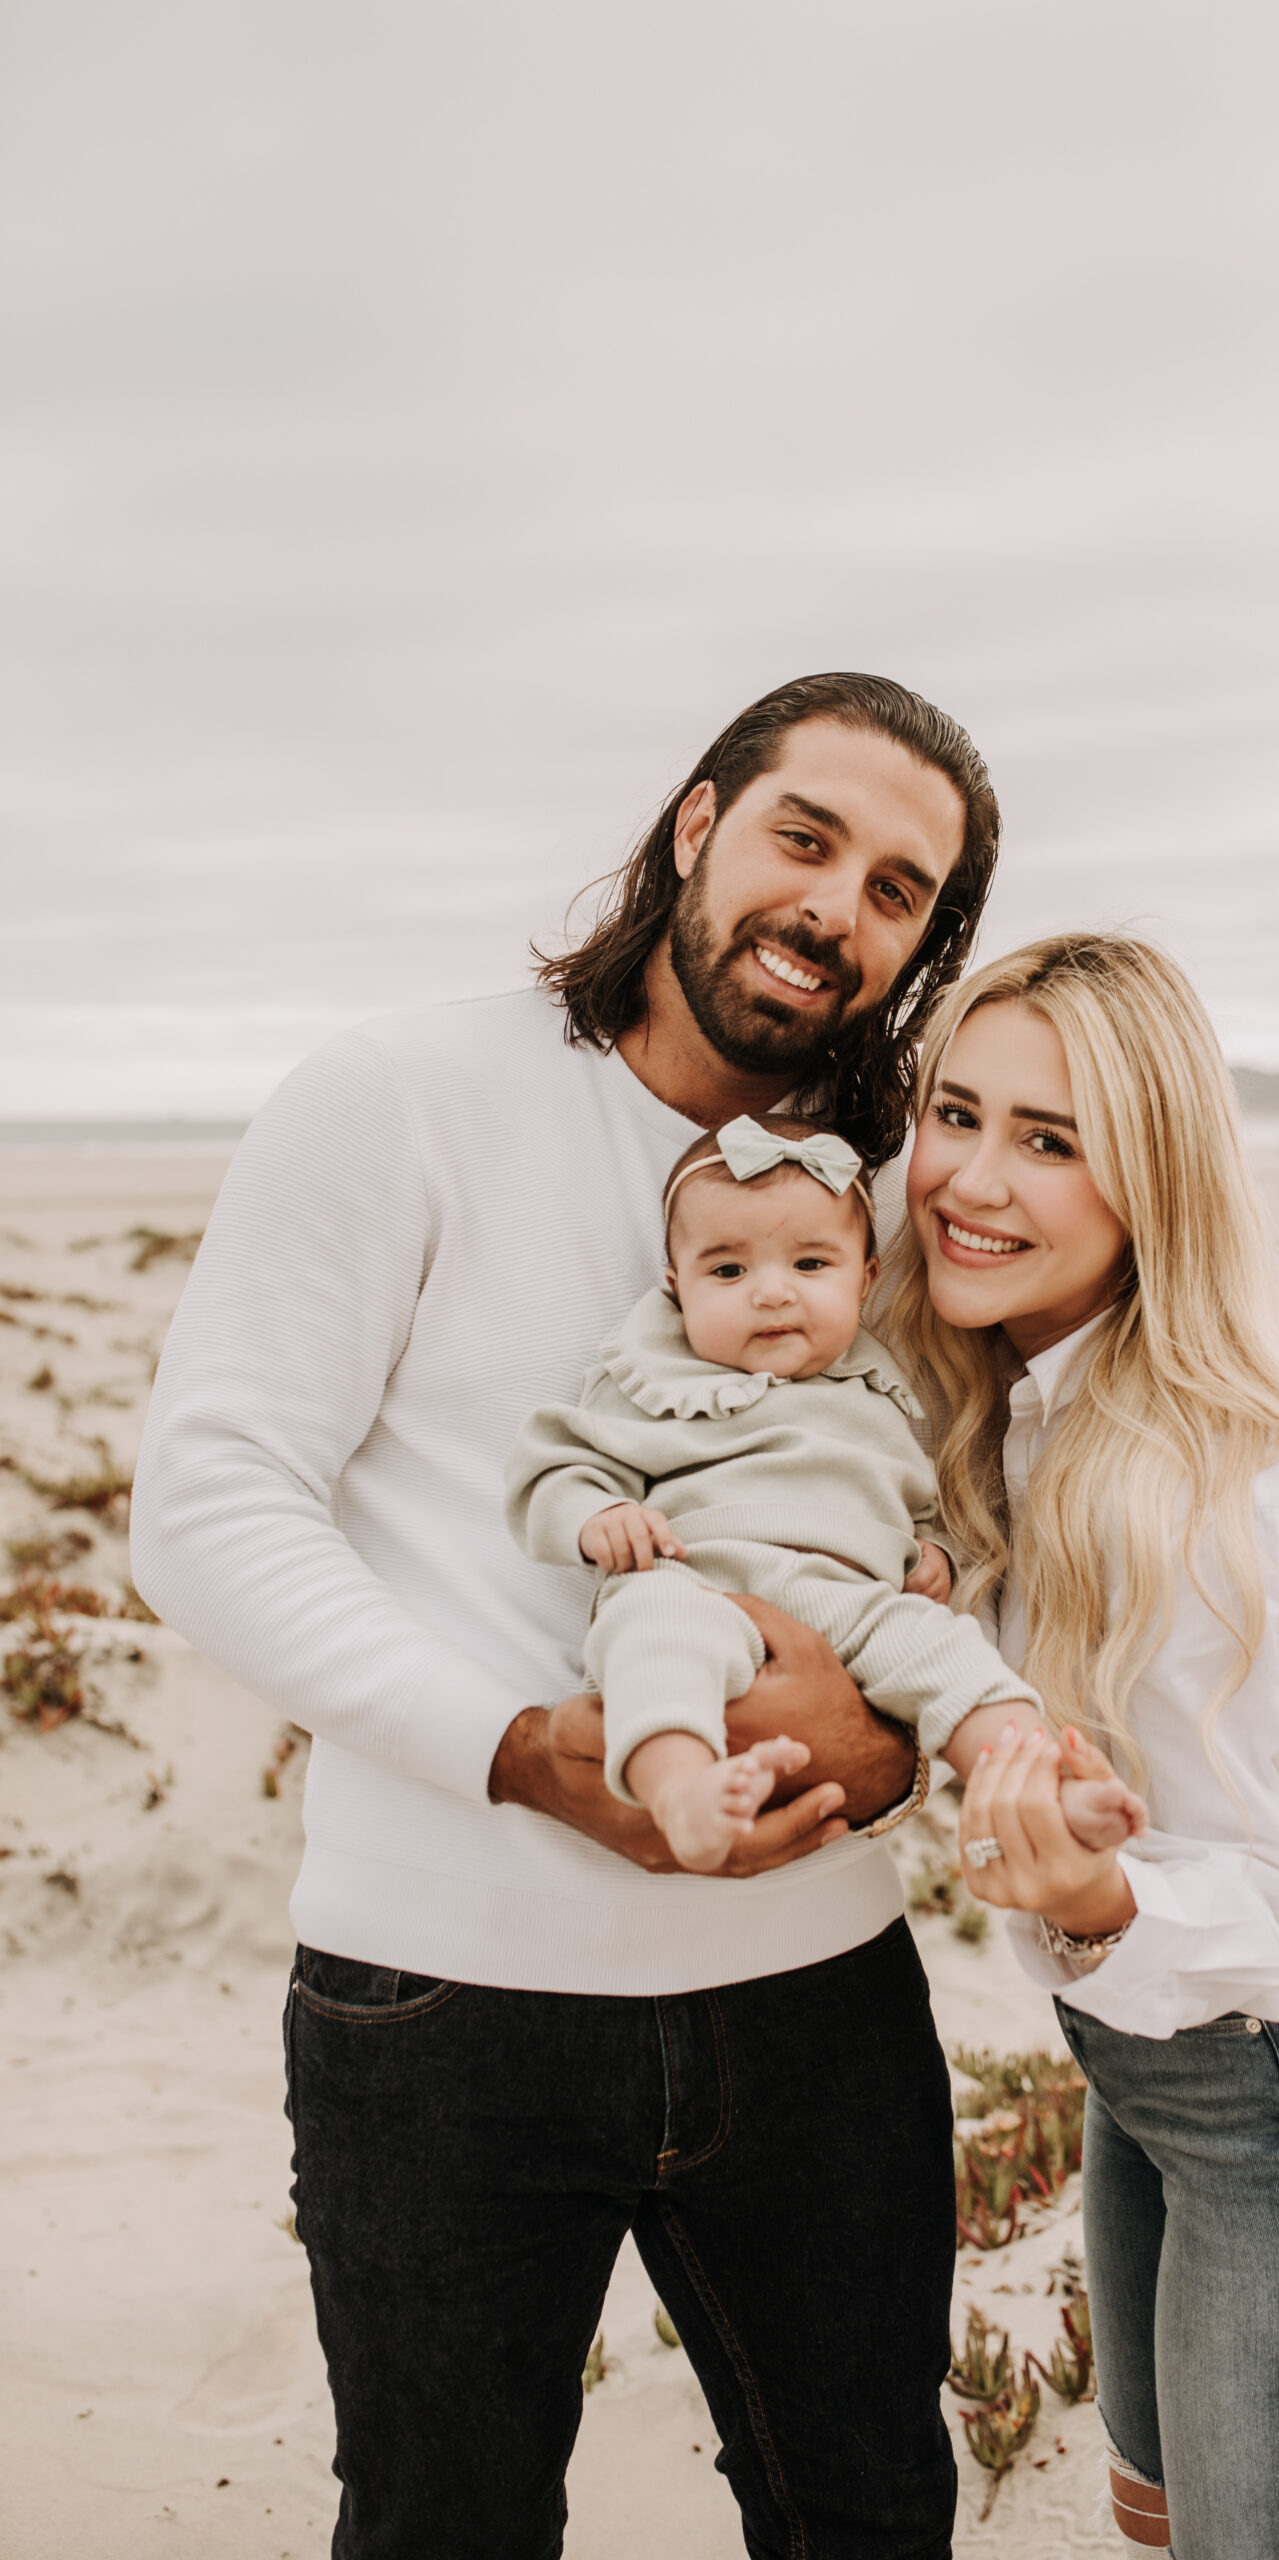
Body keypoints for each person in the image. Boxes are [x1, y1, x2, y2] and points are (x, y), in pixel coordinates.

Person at [132, 672, 1016, 2560]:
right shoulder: (399, 1097)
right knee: (446, 2528)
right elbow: (208, 1506)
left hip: (819, 1999)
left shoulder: (900, 1200)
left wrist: (890, 1743)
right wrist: (530, 1754)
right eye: (805, 838)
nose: (834, 909)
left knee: (869, 2515)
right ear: (694, 828)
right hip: (441, 2006)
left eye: (897, 892)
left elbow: (961, 1513)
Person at [879, 932, 1279, 2560]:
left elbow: (1250, 1903)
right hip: (1152, 2079)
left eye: (1049, 1140)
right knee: (1166, 2517)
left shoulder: (1199, 1493)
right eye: (957, 1113)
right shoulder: (1018, 1398)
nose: (970, 1179)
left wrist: (1087, 1900)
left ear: (1150, 1184)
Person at [507, 1107, 1139, 1870]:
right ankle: (680, 1794)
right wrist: (596, 1514)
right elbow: (555, 1464)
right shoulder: (651, 1377)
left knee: (951, 1657)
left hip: (856, 1598)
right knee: (652, 1638)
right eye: (728, 1271)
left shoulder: (881, 1387)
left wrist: (931, 1551)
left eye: (810, 1266)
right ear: (677, 1288)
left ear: (866, 1278)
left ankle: (1041, 1783)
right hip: (696, 1579)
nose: (772, 1294)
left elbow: (915, 1500)